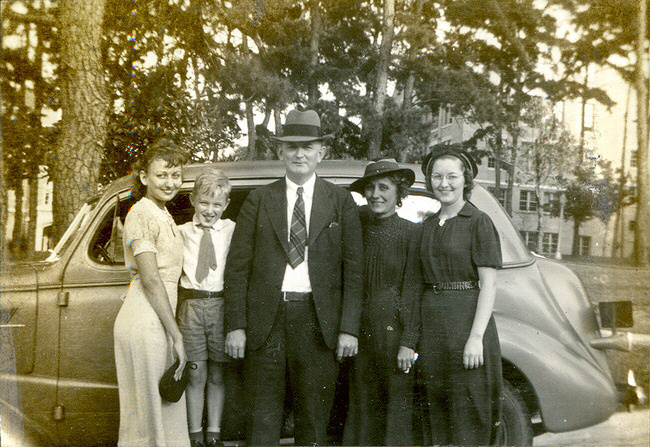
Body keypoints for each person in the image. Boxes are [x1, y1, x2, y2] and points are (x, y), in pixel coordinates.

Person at [224, 109, 364, 446]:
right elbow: (238, 266)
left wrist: (347, 327)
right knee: (263, 419)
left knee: (314, 420)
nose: (299, 154)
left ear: (321, 153)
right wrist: (236, 325)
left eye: (308, 146)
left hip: (319, 323)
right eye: (291, 147)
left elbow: (354, 270)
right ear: (280, 152)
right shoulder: (259, 199)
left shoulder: (341, 201)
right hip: (266, 323)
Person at [418, 144, 503, 446]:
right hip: (433, 332)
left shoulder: (478, 222)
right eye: (437, 177)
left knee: (470, 412)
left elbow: (489, 285)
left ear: (465, 180)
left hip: (466, 327)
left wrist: (476, 337)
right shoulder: (427, 225)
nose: (444, 184)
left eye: (452, 177)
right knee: (436, 415)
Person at [113, 139, 190, 447]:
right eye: (162, 175)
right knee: (148, 419)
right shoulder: (141, 214)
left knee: (158, 413)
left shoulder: (161, 212)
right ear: (145, 177)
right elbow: (151, 279)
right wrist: (177, 335)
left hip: (156, 317)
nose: (170, 182)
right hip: (147, 320)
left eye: (176, 175)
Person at [343, 159, 424, 446]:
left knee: (396, 412)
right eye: (370, 188)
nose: (376, 194)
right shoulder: (356, 227)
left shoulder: (412, 233)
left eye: (384, 187)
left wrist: (408, 341)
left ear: (398, 192)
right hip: (360, 335)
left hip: (394, 335)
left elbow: (413, 290)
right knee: (362, 409)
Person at [177, 169, 236, 447]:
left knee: (217, 373)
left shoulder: (233, 230)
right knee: (195, 371)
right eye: (204, 202)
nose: (209, 210)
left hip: (221, 305)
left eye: (216, 204)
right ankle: (194, 435)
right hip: (191, 306)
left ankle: (213, 432)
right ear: (192, 200)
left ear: (225, 204)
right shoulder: (181, 233)